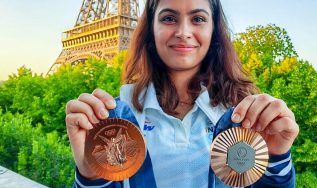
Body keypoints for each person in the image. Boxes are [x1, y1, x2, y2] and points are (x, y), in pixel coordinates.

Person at [65, 0, 299, 187]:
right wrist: (92, 177)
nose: (183, 31)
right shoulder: (115, 118)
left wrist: (276, 160)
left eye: (197, 19)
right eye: (169, 18)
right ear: (151, 31)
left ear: (214, 31)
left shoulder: (246, 115)